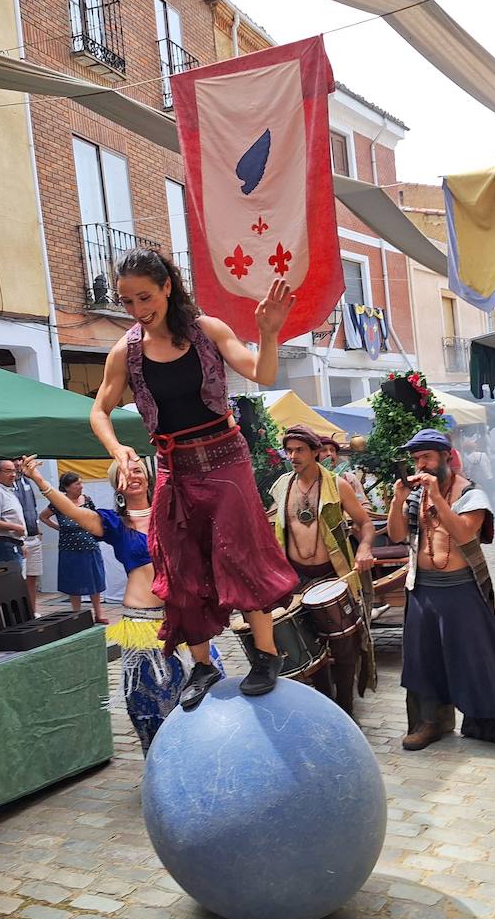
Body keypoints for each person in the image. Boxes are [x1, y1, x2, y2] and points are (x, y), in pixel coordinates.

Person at [89, 248, 299, 707]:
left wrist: (269, 333)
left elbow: (261, 373)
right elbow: (99, 410)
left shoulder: (208, 331)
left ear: (167, 287)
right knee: (178, 562)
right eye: (127, 302)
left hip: (226, 458)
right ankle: (202, 665)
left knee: (240, 551)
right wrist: (118, 448)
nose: (138, 310)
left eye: (145, 297)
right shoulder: (125, 352)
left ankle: (265, 655)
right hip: (173, 465)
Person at [21, 456, 224, 752]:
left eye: (138, 470)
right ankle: (162, 765)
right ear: (117, 485)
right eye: (125, 474)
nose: (133, 476)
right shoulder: (114, 523)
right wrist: (40, 481)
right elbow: (74, 512)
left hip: (183, 619)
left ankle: (208, 756)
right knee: (153, 703)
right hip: (142, 624)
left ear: (149, 477)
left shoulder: (171, 514)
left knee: (208, 691)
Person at [389, 429, 495, 764]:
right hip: (422, 588)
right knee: (424, 661)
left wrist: (438, 497)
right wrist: (398, 500)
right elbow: (397, 536)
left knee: (485, 659)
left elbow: (465, 534)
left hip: (461, 589)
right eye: (416, 458)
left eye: (426, 457)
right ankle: (430, 723)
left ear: (444, 457)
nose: (420, 464)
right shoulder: (414, 496)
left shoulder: (471, 493)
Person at [270, 425, 377, 715]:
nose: (293, 456)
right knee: (308, 646)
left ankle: (345, 708)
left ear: (316, 452)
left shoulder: (337, 484)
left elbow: (365, 523)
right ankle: (325, 705)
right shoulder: (282, 487)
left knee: (344, 648)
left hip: (333, 575)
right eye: (289, 450)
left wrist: (364, 548)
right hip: (296, 578)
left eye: (299, 450)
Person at [39, 472, 108, 625]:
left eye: (81, 483)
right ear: (67, 487)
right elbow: (43, 516)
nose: (81, 486)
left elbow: (95, 517)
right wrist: (59, 528)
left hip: (89, 545)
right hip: (69, 548)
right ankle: (76, 615)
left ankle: (99, 613)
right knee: (73, 582)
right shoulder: (59, 502)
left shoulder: (87, 500)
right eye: (77, 484)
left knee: (94, 581)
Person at [0, 460, 29, 583]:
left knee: (19, 583)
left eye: (14, 471)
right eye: (8, 471)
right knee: (12, 584)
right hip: (4, 545)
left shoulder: (8, 490)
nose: (13, 474)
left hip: (15, 543)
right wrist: (15, 527)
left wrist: (21, 542)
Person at [11, 457, 45, 615]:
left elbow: (33, 506)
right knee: (20, 580)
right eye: (13, 461)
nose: (18, 464)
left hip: (33, 535)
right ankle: (21, 615)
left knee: (32, 577)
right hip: (18, 539)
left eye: (19, 460)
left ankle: (32, 611)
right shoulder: (6, 486)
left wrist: (37, 527)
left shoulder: (27, 480)